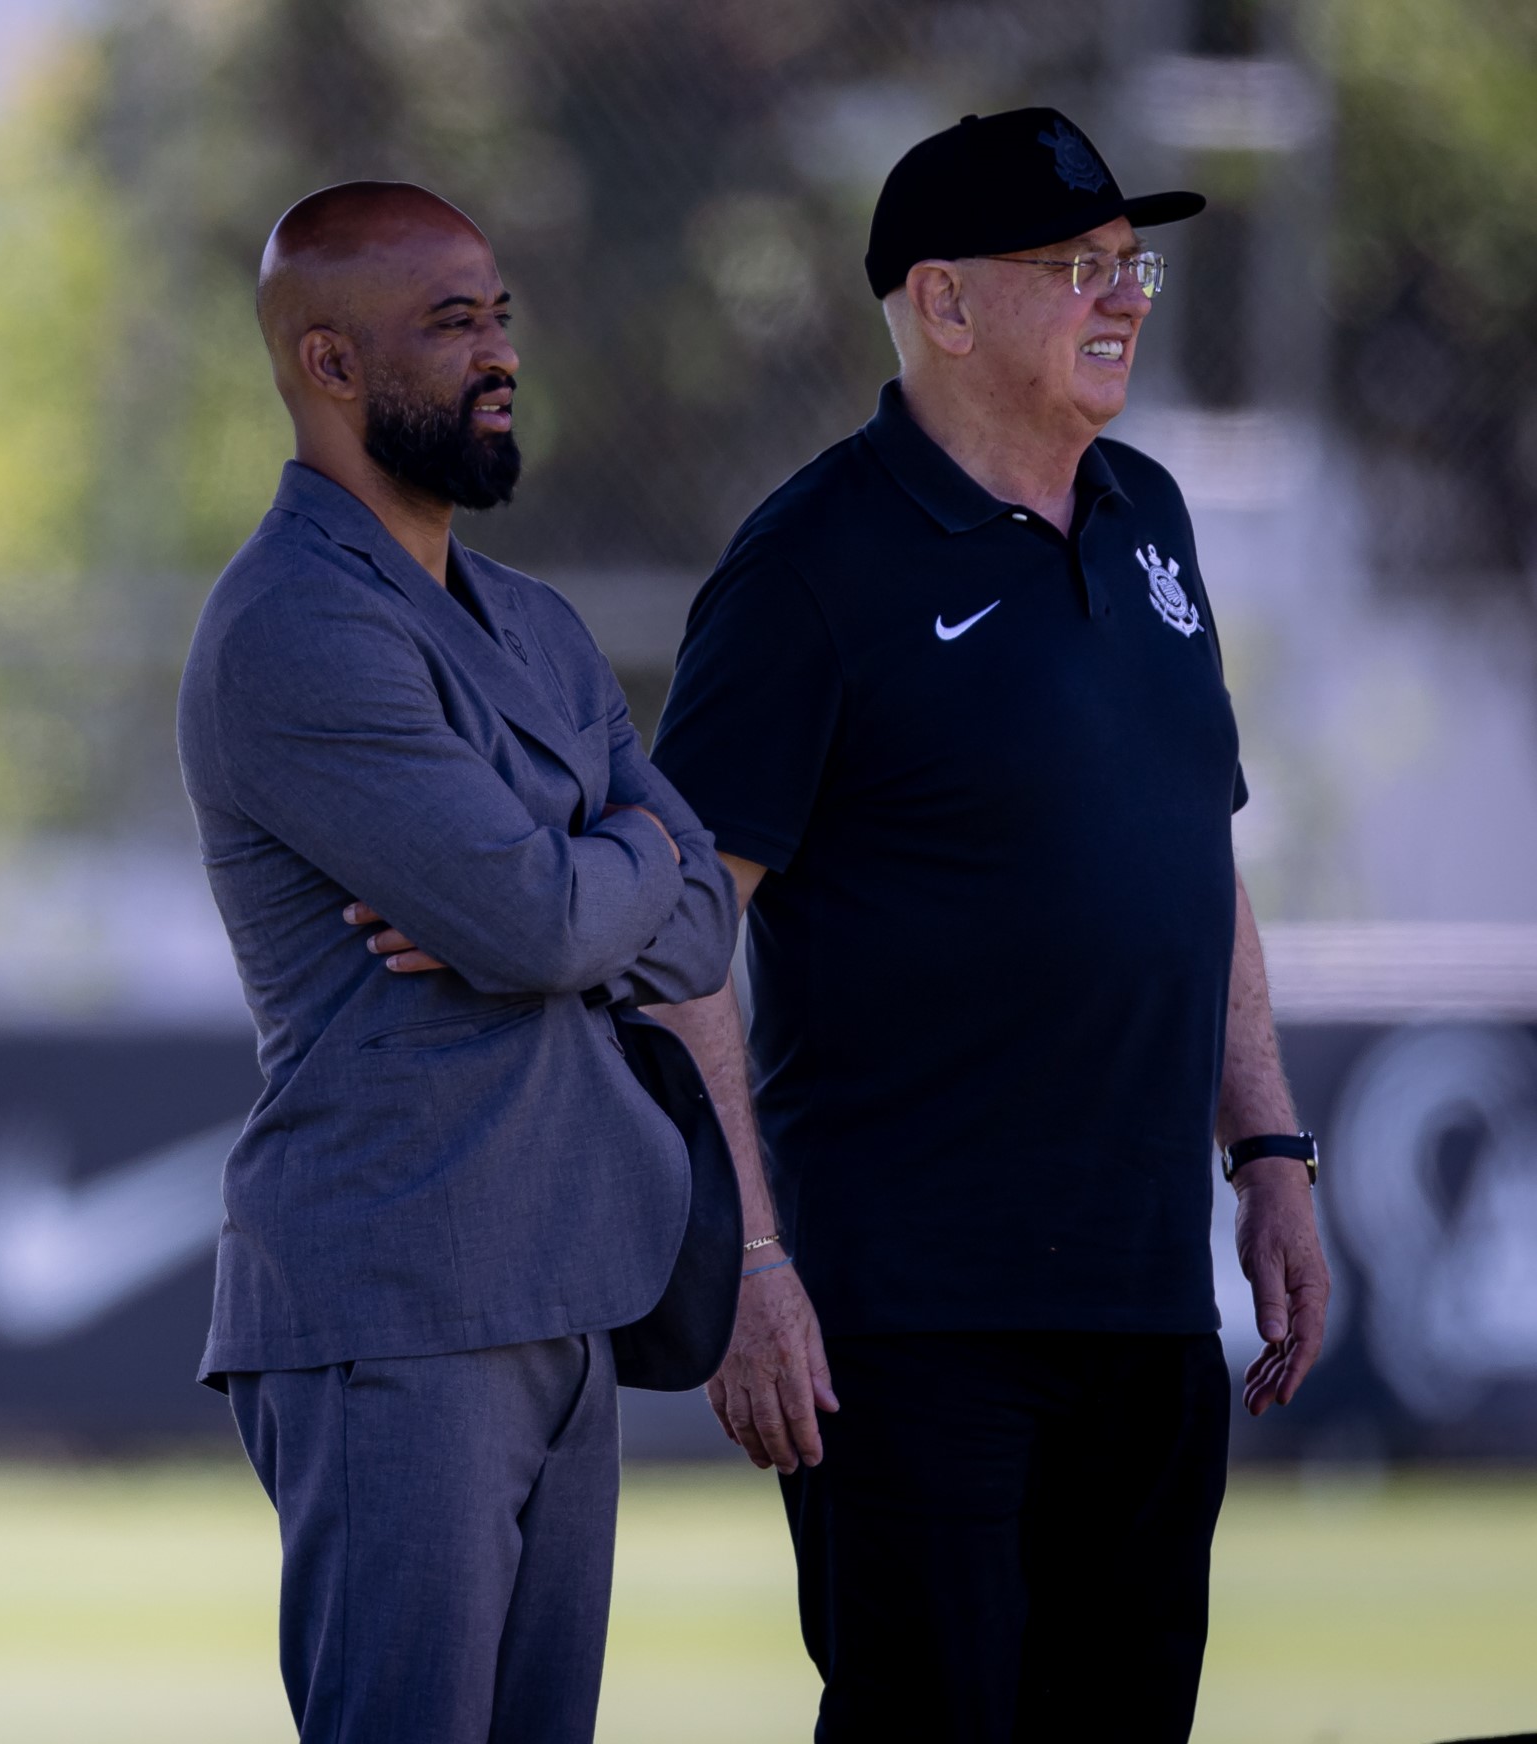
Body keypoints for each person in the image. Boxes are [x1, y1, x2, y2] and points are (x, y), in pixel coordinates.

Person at [641, 109, 1334, 1741]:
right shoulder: (810, 567)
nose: (1126, 298)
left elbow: (1194, 859)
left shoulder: (1151, 514)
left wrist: (1275, 1156)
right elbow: (676, 953)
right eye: (1074, 268)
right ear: (941, 305)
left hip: (1147, 1306)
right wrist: (747, 1260)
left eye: (1129, 263)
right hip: (912, 1324)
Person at [175, 181, 738, 1744]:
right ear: (330, 367)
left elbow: (703, 921)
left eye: (499, 313)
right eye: (450, 322)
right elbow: (555, 921)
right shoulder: (294, 625)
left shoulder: (539, 628)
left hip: (567, 1292)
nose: (499, 352)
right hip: (398, 1305)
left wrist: (561, 881)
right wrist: (593, 872)